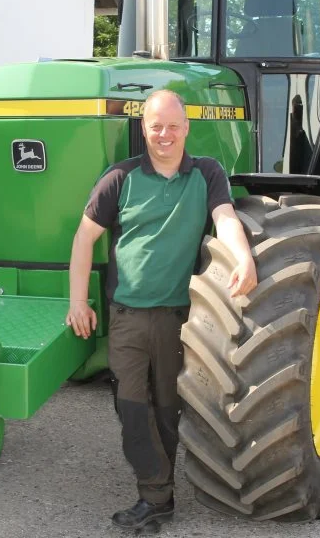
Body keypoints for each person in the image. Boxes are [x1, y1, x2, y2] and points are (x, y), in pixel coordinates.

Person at [65, 89, 257, 531]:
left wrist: (244, 257)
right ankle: (155, 490)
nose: (164, 135)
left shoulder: (206, 174)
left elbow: (226, 219)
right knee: (132, 408)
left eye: (173, 126)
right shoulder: (120, 177)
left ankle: (158, 497)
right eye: (156, 126)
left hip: (178, 319)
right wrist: (77, 300)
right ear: (144, 128)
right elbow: (83, 238)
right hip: (128, 316)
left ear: (187, 128)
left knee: (168, 410)